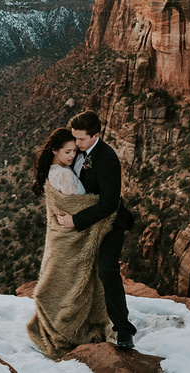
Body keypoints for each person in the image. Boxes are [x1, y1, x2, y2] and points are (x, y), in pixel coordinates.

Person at [26, 128, 116, 359]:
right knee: (75, 284)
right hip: (71, 235)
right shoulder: (63, 175)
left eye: (75, 151)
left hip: (59, 235)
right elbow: (81, 205)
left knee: (62, 282)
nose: (72, 156)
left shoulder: (53, 170)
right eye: (67, 152)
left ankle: (53, 323)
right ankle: (70, 329)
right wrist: (103, 202)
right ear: (55, 151)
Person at [57, 110, 137, 349]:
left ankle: (124, 330)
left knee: (107, 269)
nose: (76, 143)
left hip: (109, 222)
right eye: (74, 138)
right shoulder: (76, 150)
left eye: (81, 139)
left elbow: (109, 204)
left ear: (96, 136)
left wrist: (76, 220)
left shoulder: (108, 159)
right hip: (83, 220)